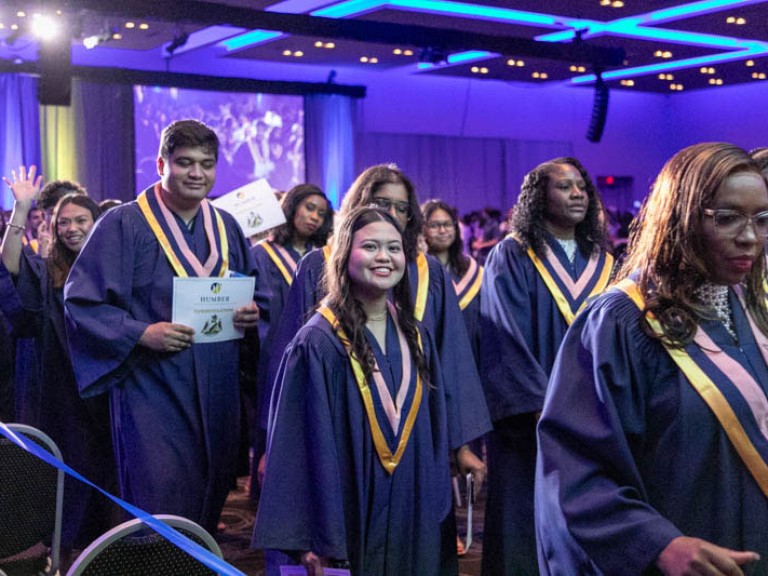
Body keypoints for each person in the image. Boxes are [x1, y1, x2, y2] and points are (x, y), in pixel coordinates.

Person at [536, 143, 768, 575]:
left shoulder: (751, 307)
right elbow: (574, 472)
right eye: (727, 217)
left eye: (762, 218)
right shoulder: (623, 323)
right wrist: (659, 544)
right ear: (679, 217)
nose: (750, 236)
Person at [263, 163, 490, 572]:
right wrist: (307, 532)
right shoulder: (317, 342)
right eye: (370, 247)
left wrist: (459, 447)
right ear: (345, 253)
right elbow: (298, 439)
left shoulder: (415, 335)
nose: (384, 256)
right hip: (349, 483)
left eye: (393, 247)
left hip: (411, 490)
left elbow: (437, 411)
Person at [64, 119, 260, 534]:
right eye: (184, 162)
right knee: (158, 498)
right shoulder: (123, 224)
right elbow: (83, 302)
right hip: (153, 387)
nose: (196, 173)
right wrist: (140, 332)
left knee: (212, 490)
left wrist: (251, 315)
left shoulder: (227, 226)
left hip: (217, 383)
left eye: (206, 164)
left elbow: (251, 295)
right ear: (160, 164)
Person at [479, 157, 613, 575]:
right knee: (523, 516)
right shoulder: (512, 255)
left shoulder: (605, 261)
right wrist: (544, 407)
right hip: (533, 422)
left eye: (582, 187)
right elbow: (504, 337)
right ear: (539, 196)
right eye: (564, 187)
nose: (577, 194)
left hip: (597, 417)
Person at [1, 169, 116, 552]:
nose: (71, 228)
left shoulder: (115, 268)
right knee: (69, 469)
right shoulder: (48, 269)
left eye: (81, 220)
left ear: (97, 221)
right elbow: (11, 266)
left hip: (108, 389)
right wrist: (21, 208)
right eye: (63, 222)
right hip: (62, 390)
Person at [250, 183, 333, 489]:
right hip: (273, 347)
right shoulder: (261, 254)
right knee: (274, 414)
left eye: (321, 213)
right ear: (292, 207)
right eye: (309, 208)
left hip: (318, 348)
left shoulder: (324, 257)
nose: (314, 217)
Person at [422, 199, 483, 364]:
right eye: (434, 226)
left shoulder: (473, 271)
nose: (442, 230)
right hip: (432, 361)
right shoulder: (417, 273)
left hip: (471, 359)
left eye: (447, 224)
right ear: (422, 230)